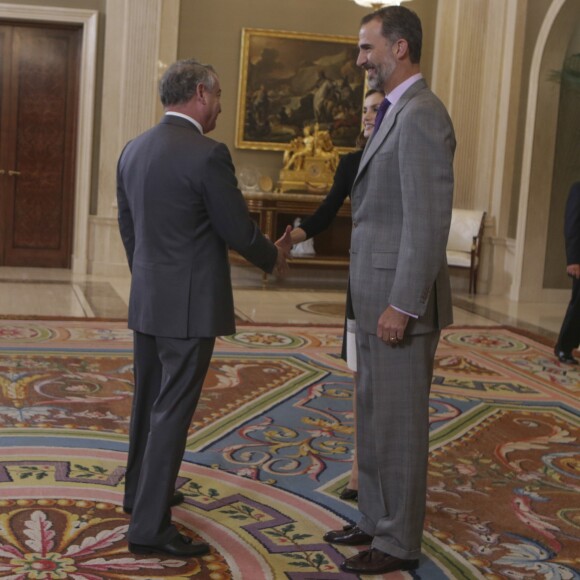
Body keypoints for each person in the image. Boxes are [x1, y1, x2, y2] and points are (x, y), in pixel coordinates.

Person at [116, 59, 292, 559]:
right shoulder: (208, 154)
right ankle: (149, 529)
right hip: (190, 309)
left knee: (147, 403)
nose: (219, 106)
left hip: (149, 298)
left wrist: (150, 277)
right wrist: (272, 257)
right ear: (199, 93)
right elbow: (236, 230)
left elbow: (129, 227)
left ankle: (138, 494)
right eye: (217, 96)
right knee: (171, 411)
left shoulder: (133, 150)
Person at [323, 6, 455, 576]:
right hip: (373, 297)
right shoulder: (392, 113)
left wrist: (403, 303)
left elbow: (427, 223)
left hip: (399, 303)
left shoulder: (423, 115)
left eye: (366, 48)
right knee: (374, 414)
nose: (359, 60)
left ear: (398, 48)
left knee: (400, 425)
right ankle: (375, 520)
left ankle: (399, 541)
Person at [290, 89, 385, 501]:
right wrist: (289, 238)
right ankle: (359, 471)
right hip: (360, 283)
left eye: (376, 109)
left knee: (388, 385)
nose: (367, 116)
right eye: (365, 109)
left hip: (392, 280)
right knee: (362, 382)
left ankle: (384, 471)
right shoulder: (350, 163)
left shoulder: (399, 157)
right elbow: (327, 212)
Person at [554, 181, 580, 364]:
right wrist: (573, 260)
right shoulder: (578, 189)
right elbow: (572, 226)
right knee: (579, 305)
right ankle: (564, 347)